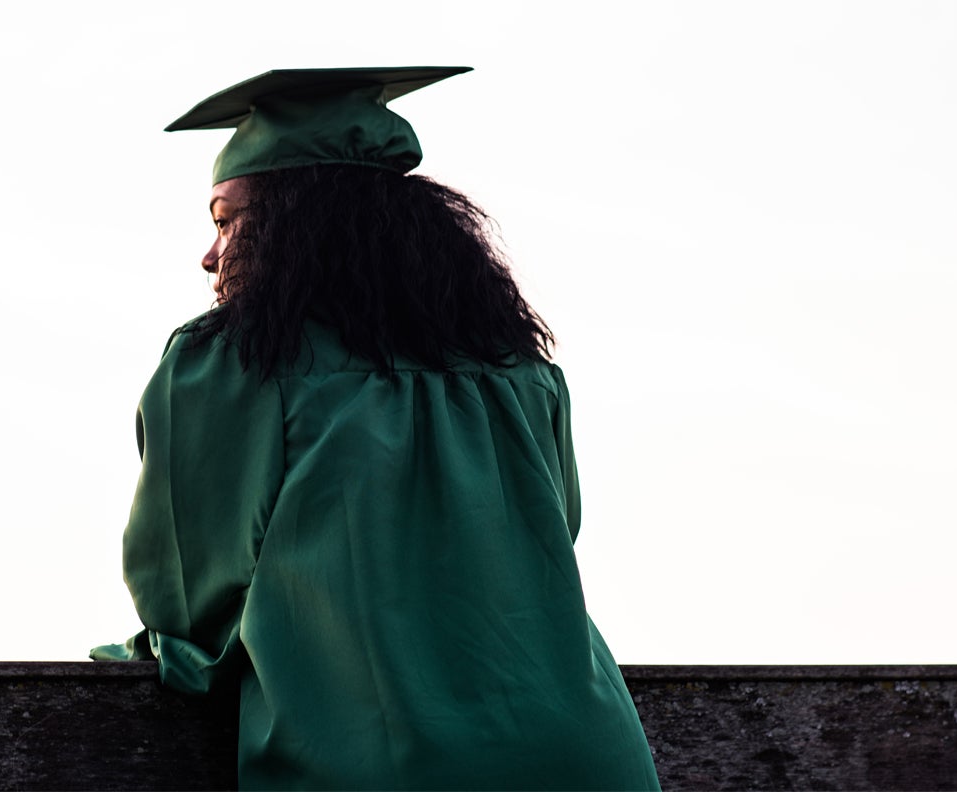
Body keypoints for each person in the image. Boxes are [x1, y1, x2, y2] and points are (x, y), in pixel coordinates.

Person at [92, 67, 660, 791]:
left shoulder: (232, 365)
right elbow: (547, 544)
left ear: (293, 230)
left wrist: (152, 653)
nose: (209, 254)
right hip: (589, 760)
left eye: (226, 221)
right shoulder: (518, 368)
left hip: (380, 767)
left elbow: (189, 603)